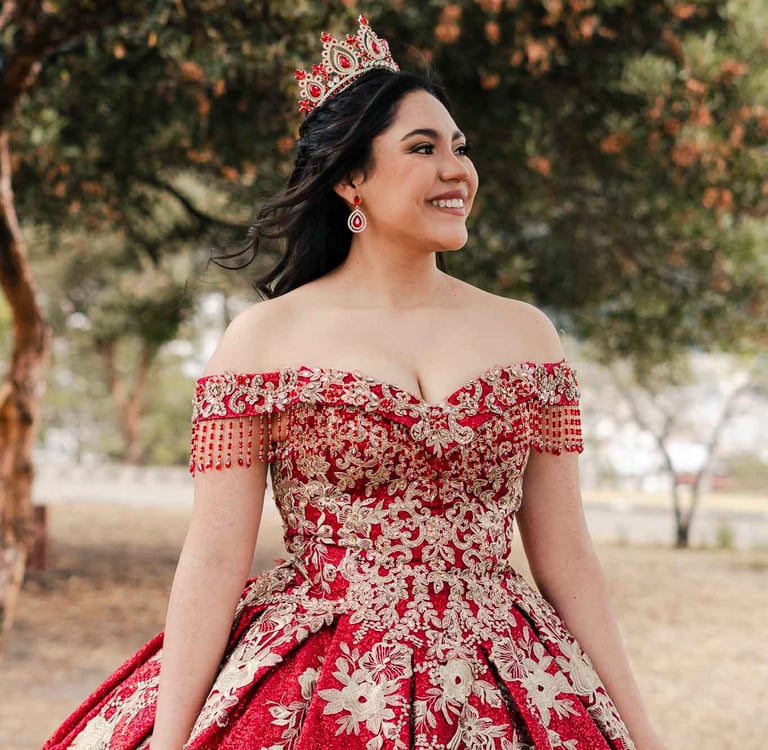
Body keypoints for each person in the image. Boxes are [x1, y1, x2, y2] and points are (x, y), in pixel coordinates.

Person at [43, 15, 667, 750]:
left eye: (460, 149)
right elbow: (214, 557)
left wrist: (640, 732)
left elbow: (567, 555)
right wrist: (174, 740)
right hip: (324, 677)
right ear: (350, 179)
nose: (456, 170)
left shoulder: (527, 334)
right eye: (423, 148)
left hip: (506, 676)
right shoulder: (262, 342)